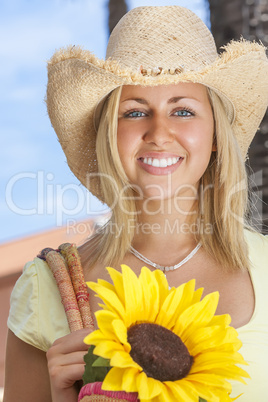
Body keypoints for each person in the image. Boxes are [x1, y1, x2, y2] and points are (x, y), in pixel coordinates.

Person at [4, 5, 268, 402]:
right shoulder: (48, 287)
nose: (159, 133)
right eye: (134, 112)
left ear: (215, 134)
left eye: (183, 111)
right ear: (109, 136)